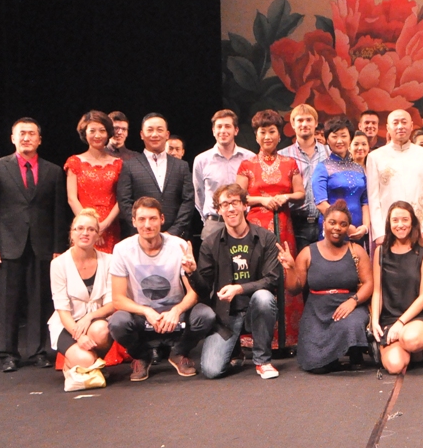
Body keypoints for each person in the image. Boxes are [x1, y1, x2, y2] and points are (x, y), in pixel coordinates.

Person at [0, 117, 68, 372]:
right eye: (22, 133)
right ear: (13, 138)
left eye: (31, 134)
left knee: (39, 301)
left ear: (39, 139)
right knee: (8, 302)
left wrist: (58, 246)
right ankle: (8, 353)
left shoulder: (52, 171)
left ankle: (38, 351)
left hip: (42, 246)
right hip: (8, 246)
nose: (26, 137)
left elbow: (58, 213)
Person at [108, 197, 214, 381]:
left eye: (153, 218)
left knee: (206, 315)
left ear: (162, 219)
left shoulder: (178, 245)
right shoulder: (122, 249)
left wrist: (176, 310)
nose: (147, 224)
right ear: (133, 222)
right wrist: (146, 311)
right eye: (141, 219)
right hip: (143, 316)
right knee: (117, 322)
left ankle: (179, 352)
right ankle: (142, 356)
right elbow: (117, 299)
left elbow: (193, 293)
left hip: (175, 315)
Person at [185, 184, 280, 379]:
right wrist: (193, 273)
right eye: (225, 204)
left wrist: (239, 288)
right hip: (227, 315)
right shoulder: (210, 243)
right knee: (211, 371)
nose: (230, 208)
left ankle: (262, 360)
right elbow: (204, 290)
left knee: (264, 297)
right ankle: (234, 348)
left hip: (256, 309)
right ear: (218, 210)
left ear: (245, 205)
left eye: (235, 202)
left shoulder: (265, 238)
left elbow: (272, 280)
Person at [278, 200, 373, 373]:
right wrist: (291, 269)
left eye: (343, 224)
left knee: (351, 324)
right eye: (333, 222)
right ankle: (333, 358)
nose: (337, 228)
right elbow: (293, 289)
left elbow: (368, 283)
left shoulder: (356, 250)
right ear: (324, 223)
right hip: (317, 311)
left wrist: (353, 301)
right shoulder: (308, 252)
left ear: (348, 228)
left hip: (349, 306)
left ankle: (355, 352)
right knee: (315, 366)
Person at [236, 108, 304, 347]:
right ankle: (259, 337)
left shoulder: (290, 162)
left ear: (279, 134)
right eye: (263, 132)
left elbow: (300, 193)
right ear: (256, 136)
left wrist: (286, 197)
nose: (267, 136)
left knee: (286, 273)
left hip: (283, 226)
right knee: (258, 275)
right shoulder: (247, 164)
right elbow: (238, 197)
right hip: (255, 229)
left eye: (272, 131)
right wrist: (262, 200)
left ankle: (289, 337)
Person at [370, 202, 423, 374]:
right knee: (395, 366)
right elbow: (377, 291)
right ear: (389, 224)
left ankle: (413, 348)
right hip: (389, 318)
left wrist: (401, 323)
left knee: (411, 339)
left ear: (412, 222)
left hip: (417, 317)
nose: (400, 225)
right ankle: (409, 353)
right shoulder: (380, 252)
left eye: (405, 220)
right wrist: (374, 320)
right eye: (395, 220)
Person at [48, 209, 115, 371]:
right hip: (68, 324)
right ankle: (87, 363)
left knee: (102, 330)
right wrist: (79, 335)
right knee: (85, 360)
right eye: (80, 228)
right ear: (72, 233)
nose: (85, 233)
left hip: (95, 321)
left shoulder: (109, 261)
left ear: (98, 235)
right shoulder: (58, 264)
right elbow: (62, 309)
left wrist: (90, 316)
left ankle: (91, 364)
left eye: (91, 229)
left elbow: (112, 303)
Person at [366, 109, 423, 245]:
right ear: (388, 128)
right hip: (388, 230)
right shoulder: (375, 157)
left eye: (404, 122)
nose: (400, 126)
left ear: (411, 126)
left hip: (421, 229)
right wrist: (380, 232)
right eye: (396, 123)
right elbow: (373, 198)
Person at [115, 113, 194, 239]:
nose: (155, 134)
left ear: (167, 135)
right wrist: (142, 228)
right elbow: (124, 201)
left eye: (160, 130)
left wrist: (173, 232)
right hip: (140, 238)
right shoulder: (130, 166)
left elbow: (188, 201)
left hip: (176, 237)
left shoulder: (181, 166)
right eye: (150, 130)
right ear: (142, 134)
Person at [192, 109, 255, 240]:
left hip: (244, 222)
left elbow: (253, 191)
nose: (223, 130)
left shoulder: (250, 158)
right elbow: (198, 195)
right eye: (219, 127)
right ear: (213, 131)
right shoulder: (201, 160)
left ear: (236, 130)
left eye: (227, 126)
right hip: (214, 223)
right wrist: (208, 219)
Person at [65, 111, 123, 253]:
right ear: (85, 133)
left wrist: (104, 225)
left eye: (102, 131)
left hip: (110, 226)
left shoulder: (118, 163)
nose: (97, 135)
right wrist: (90, 226)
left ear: (108, 133)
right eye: (92, 131)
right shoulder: (75, 162)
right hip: (83, 227)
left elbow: (122, 198)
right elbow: (72, 198)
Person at [280, 104, 331, 254]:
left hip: (324, 220)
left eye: (309, 120)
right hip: (296, 223)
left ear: (315, 124)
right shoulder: (283, 155)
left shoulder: (329, 152)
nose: (304, 124)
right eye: (300, 120)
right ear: (293, 124)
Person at [313, 117, 370, 247]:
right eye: (334, 136)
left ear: (350, 138)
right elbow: (321, 204)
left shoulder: (358, 168)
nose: (339, 141)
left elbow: (365, 202)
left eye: (344, 136)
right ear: (327, 140)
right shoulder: (322, 168)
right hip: (334, 229)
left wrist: (365, 227)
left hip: (358, 231)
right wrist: (346, 226)